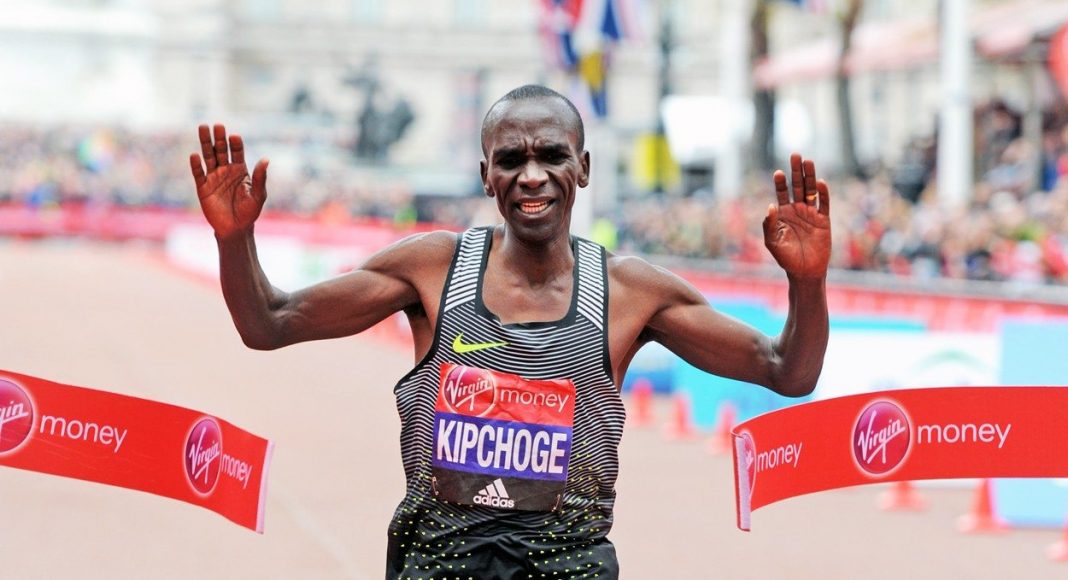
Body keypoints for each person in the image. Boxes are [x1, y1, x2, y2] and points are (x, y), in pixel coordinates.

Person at [189, 84, 831, 579]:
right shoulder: (432, 269)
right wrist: (234, 239)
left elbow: (787, 370)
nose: (531, 176)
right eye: (511, 159)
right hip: (436, 565)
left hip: (568, 568)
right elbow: (270, 323)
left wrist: (807, 282)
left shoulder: (631, 293)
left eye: (551, 155)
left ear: (582, 167)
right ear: (485, 175)